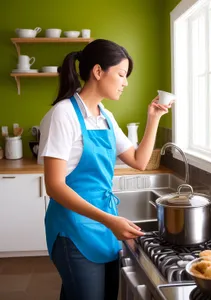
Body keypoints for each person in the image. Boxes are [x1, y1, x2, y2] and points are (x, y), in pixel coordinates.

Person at [38, 38, 173, 300]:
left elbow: (139, 160)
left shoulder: (105, 116)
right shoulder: (63, 115)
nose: (125, 82)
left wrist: (154, 117)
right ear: (98, 72)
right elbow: (54, 186)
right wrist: (110, 220)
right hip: (72, 228)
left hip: (103, 224)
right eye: (121, 74)